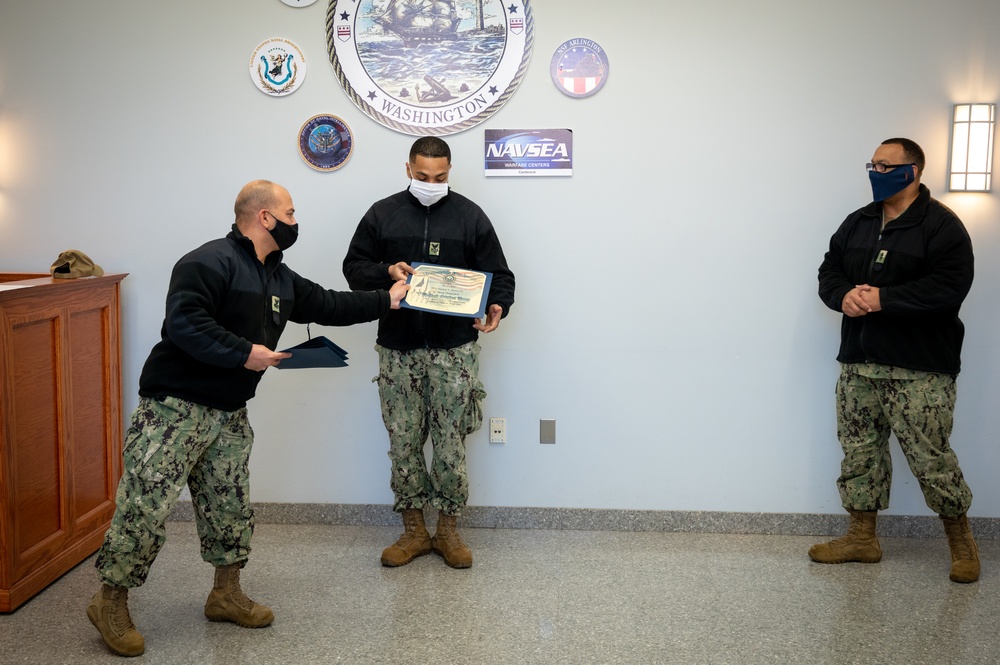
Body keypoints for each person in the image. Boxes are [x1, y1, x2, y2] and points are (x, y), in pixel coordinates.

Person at [87, 180, 409, 656]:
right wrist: (246, 354)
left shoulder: (278, 276)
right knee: (144, 508)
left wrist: (387, 299)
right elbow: (186, 324)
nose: (296, 222)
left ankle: (225, 594)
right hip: (174, 409)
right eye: (291, 213)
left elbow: (328, 303)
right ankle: (110, 601)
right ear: (264, 217)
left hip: (230, 414)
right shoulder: (207, 261)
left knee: (230, 508)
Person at [343, 136, 515, 569]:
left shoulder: (470, 216)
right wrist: (386, 270)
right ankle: (414, 531)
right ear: (408, 170)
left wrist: (498, 305)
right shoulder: (382, 214)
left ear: (449, 172)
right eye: (422, 176)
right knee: (403, 442)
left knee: (450, 443)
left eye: (439, 177)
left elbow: (500, 276)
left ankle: (449, 531)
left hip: (453, 351)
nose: (431, 183)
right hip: (398, 350)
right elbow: (353, 270)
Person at [813, 138, 980, 583]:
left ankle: (962, 544)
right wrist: (842, 295)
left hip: (918, 369)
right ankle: (861, 539)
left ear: (914, 170)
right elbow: (829, 270)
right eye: (873, 164)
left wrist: (886, 299)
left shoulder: (942, 226)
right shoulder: (858, 222)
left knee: (931, 458)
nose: (876, 171)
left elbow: (949, 287)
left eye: (886, 165)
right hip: (859, 364)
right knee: (859, 452)